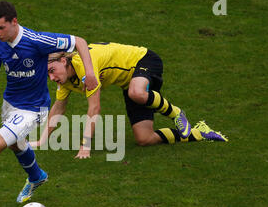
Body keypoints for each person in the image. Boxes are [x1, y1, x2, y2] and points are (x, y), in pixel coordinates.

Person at [0, 1, 97, 207]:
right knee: (15, 144)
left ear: (14, 22)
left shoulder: (36, 41)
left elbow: (79, 41)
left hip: (33, 108)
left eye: (1, 27)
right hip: (10, 104)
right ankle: (37, 176)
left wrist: (89, 74)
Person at [31, 42, 227, 158]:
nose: (52, 78)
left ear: (64, 61)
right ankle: (200, 133)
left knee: (137, 92)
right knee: (144, 138)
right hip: (130, 83)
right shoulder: (64, 79)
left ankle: (177, 114)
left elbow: (94, 108)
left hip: (145, 61)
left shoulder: (84, 68)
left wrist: (85, 146)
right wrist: (42, 140)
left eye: (52, 71)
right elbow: (58, 108)